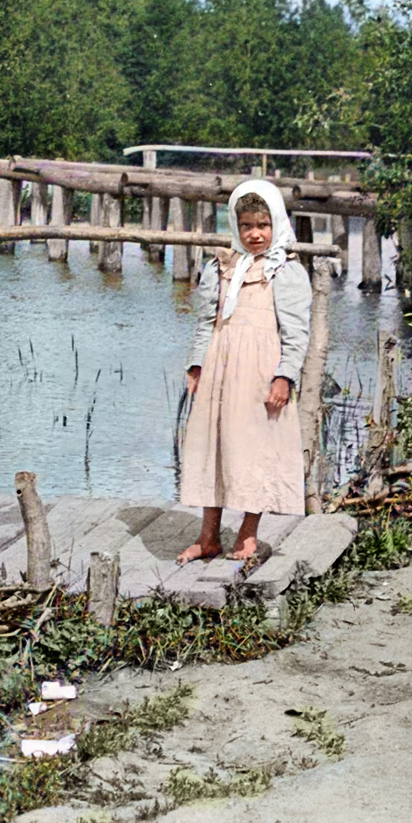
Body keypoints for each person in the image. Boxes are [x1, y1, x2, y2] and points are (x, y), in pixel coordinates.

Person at [176, 178, 310, 565]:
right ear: (236, 226)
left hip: (260, 372)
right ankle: (208, 537)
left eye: (262, 226)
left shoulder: (285, 272)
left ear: (276, 225)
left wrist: (284, 375)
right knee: (212, 446)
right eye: (247, 225)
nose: (255, 234)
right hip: (220, 365)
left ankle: (248, 535)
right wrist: (197, 365)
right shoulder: (221, 267)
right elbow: (205, 321)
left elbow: (297, 333)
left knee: (255, 449)